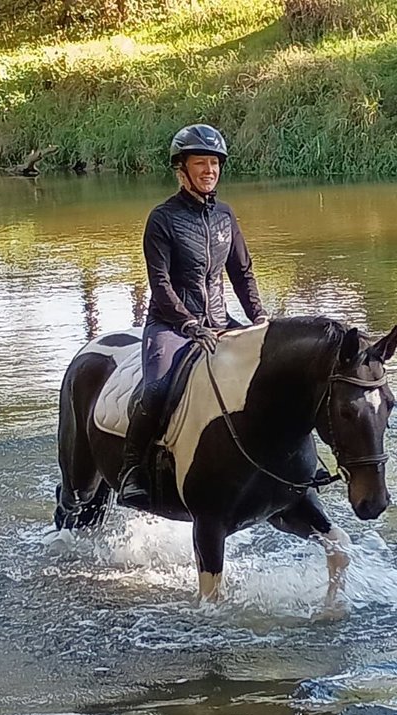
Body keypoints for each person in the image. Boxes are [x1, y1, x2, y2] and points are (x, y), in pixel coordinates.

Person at [116, 123, 269, 510]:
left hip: (219, 322)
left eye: (214, 163)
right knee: (155, 389)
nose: (209, 170)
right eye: (200, 162)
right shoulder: (162, 219)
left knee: (272, 373)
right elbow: (161, 284)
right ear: (181, 170)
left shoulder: (226, 216)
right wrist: (188, 324)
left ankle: (275, 462)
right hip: (171, 325)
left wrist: (259, 320)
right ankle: (133, 471)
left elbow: (242, 273)